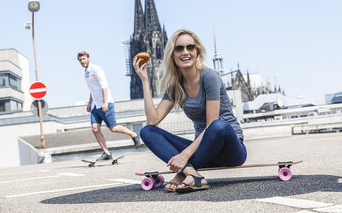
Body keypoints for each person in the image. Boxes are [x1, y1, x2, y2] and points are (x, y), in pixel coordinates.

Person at [132, 29, 247, 193]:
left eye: (190, 47)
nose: (185, 52)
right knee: (147, 131)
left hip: (231, 150)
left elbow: (211, 125)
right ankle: (191, 173)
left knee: (218, 126)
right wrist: (144, 80)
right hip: (203, 152)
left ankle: (184, 172)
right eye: (179, 48)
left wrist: (184, 156)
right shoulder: (175, 85)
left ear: (197, 52)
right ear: (172, 54)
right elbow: (153, 120)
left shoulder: (210, 78)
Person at [77, 51, 141, 161]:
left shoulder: (96, 69)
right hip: (95, 106)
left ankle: (134, 134)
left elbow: (104, 86)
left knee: (113, 128)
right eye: (80, 60)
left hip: (105, 103)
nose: (82, 61)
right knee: (95, 129)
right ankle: (106, 153)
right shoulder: (86, 73)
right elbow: (92, 90)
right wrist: (89, 102)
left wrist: (105, 102)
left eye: (84, 59)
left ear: (88, 58)